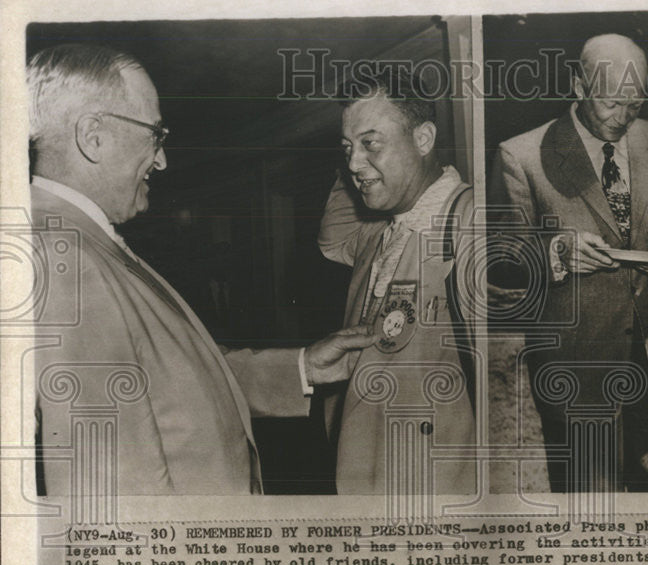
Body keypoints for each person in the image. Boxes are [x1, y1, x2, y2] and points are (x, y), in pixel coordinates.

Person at [29, 44, 373, 496]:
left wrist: (303, 368)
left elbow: (174, 386)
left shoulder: (82, 243)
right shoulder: (64, 259)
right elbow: (114, 499)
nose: (162, 160)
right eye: (155, 134)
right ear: (93, 136)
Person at [489, 34, 648, 492]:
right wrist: (556, 252)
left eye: (635, 104)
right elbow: (501, 257)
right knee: (590, 515)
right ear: (578, 85)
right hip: (575, 369)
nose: (623, 117)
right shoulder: (521, 155)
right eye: (611, 103)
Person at [316, 71, 477, 495]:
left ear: (423, 140)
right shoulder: (375, 235)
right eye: (347, 148)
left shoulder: (471, 221)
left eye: (372, 142)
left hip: (435, 493)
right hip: (362, 476)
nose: (352, 162)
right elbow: (331, 238)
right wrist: (361, 154)